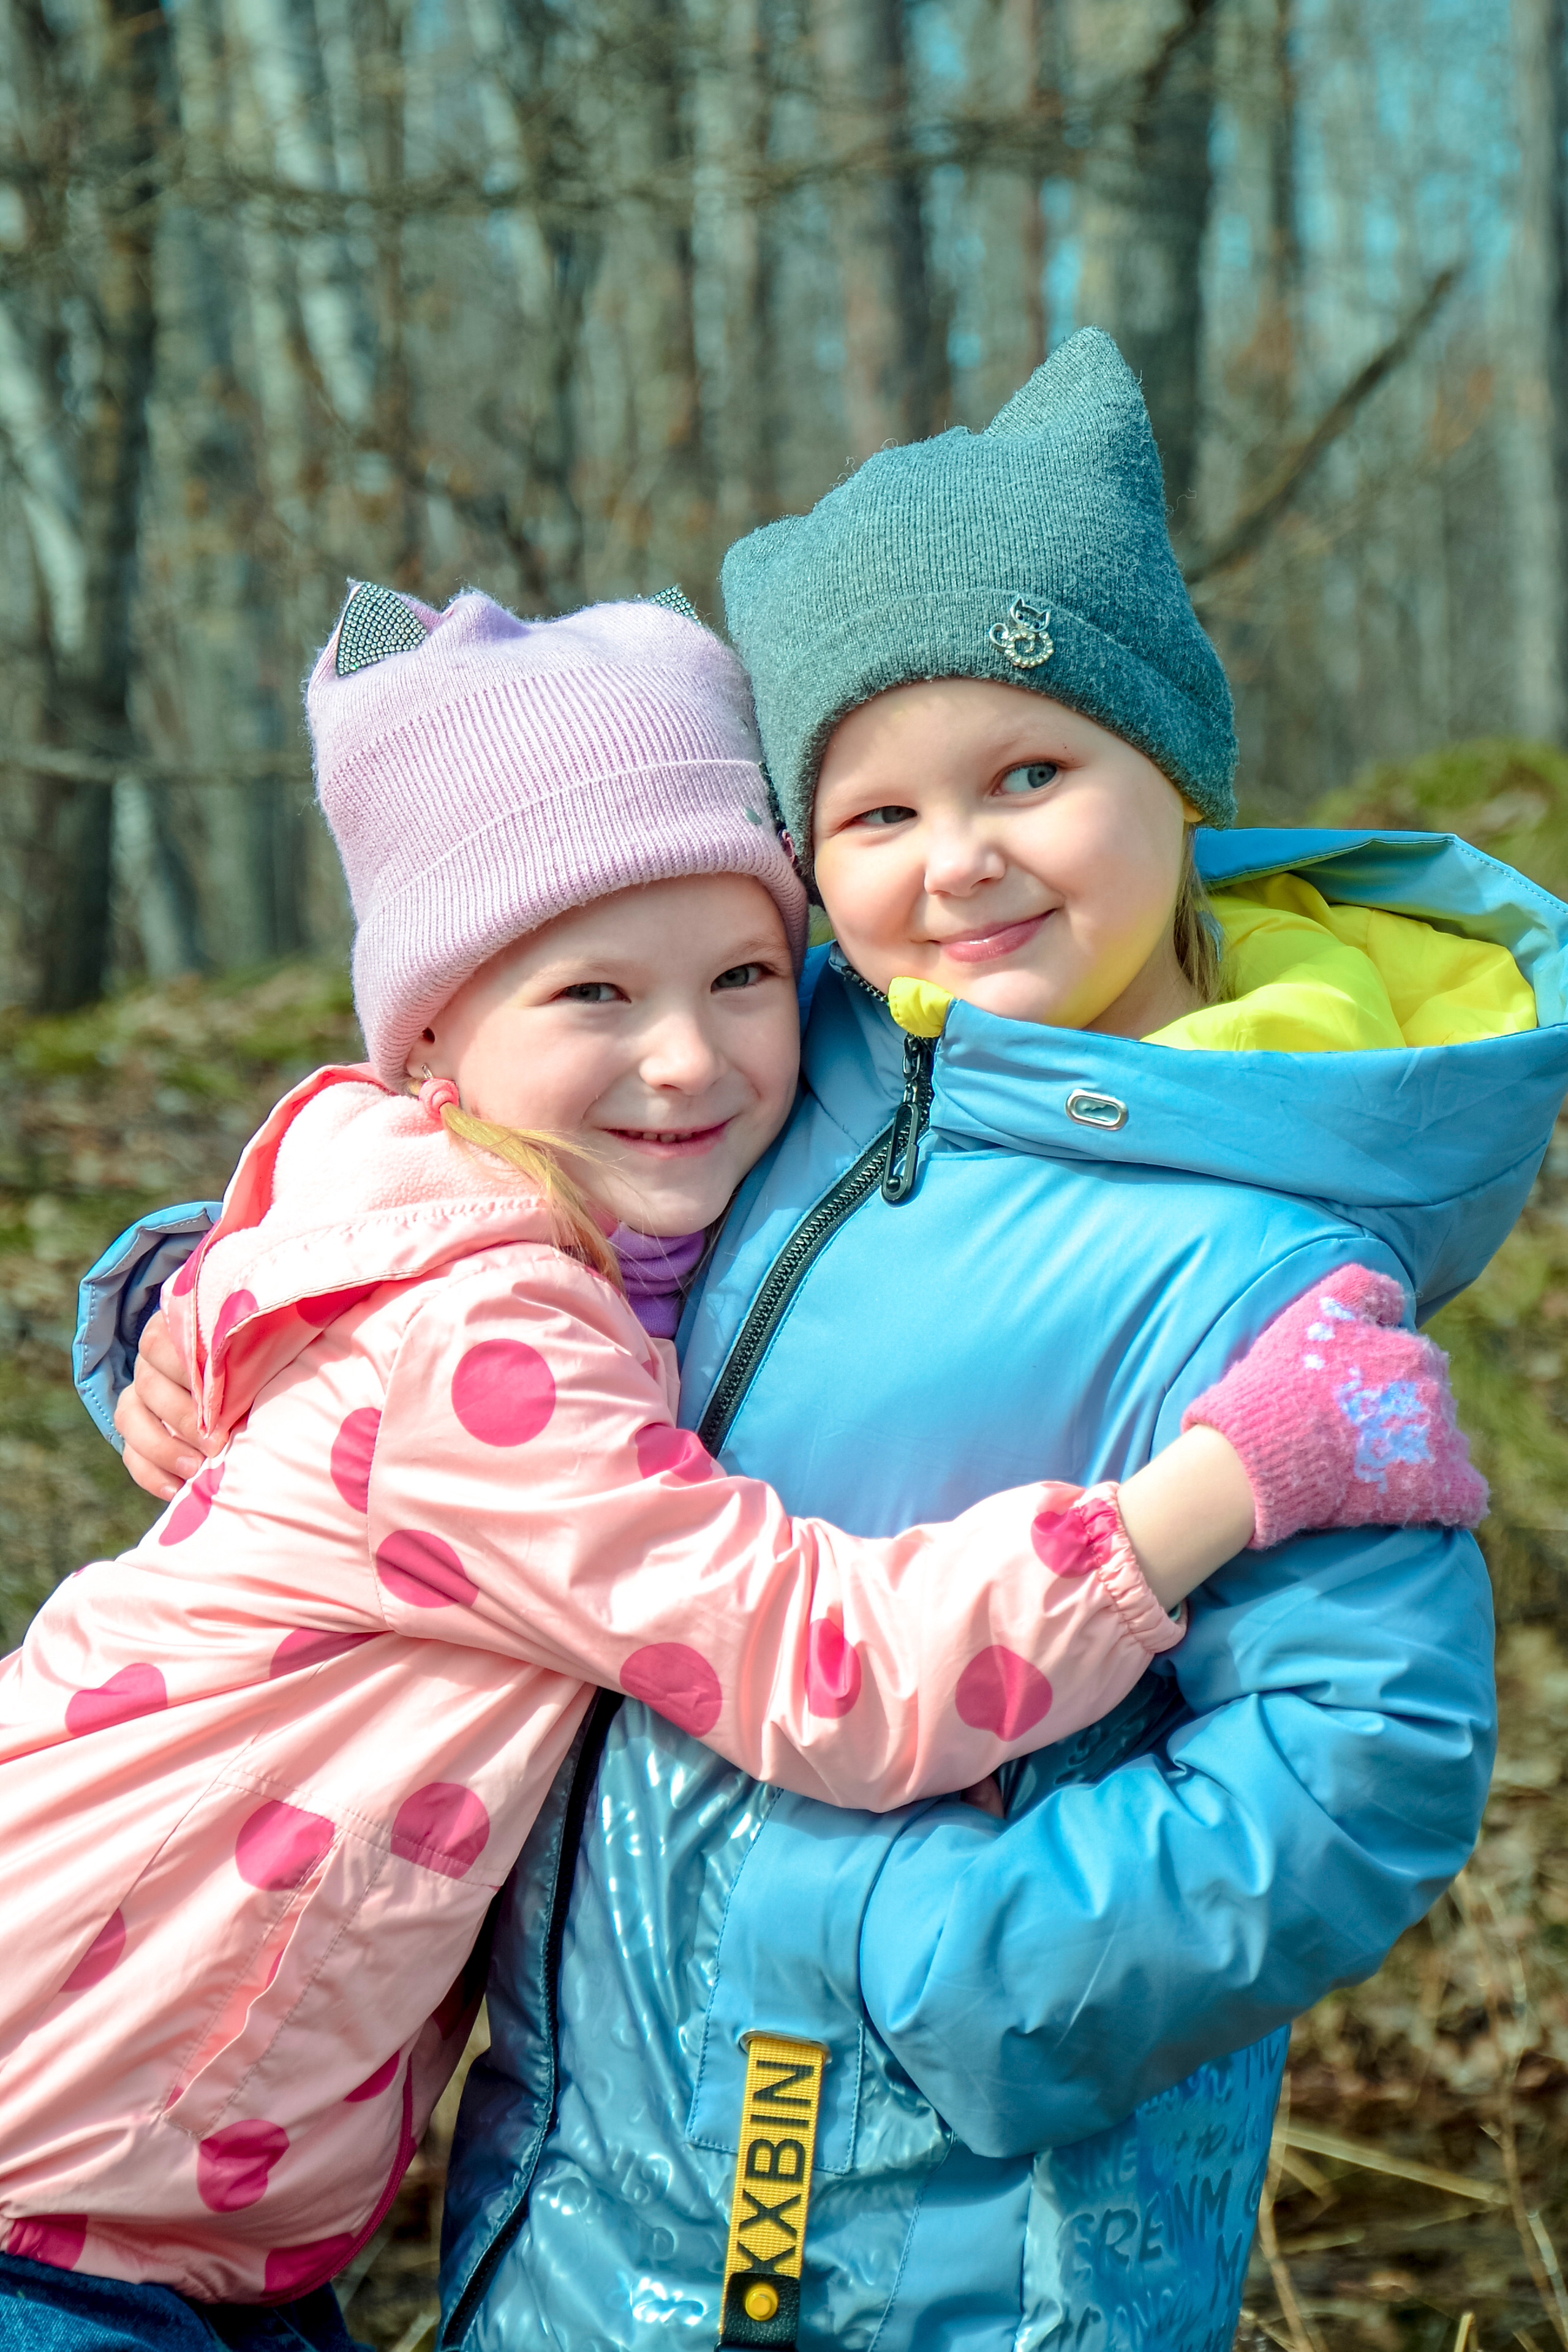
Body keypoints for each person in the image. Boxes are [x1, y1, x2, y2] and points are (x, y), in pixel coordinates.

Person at [91, 336, 1563, 2351]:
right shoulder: (797, 1063)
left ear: (1178, 771)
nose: (957, 858)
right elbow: (509, 1170)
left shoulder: (1265, 1255)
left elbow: (1367, 1752)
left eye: (1031, 774)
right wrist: (222, 1293)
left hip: (919, 2229)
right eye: (877, 810)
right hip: (572, 2170)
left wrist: (920, 1959)